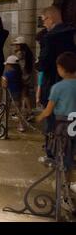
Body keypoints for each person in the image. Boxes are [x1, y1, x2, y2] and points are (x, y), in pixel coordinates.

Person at [36, 52, 76, 213]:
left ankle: (65, 195)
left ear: (61, 69)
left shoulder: (58, 87)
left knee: (63, 160)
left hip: (63, 127)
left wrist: (38, 118)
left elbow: (48, 111)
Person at [38, 5, 76, 162]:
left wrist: (37, 65)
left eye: (43, 20)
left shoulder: (50, 36)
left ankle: (52, 154)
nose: (44, 24)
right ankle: (70, 153)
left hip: (55, 81)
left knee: (53, 120)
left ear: (50, 18)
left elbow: (44, 63)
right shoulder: (72, 32)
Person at [12, 36, 35, 120]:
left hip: (22, 76)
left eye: (17, 45)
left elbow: (16, 64)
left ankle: (27, 112)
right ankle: (27, 112)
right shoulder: (29, 53)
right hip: (28, 76)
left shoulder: (20, 53)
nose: (16, 46)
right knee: (25, 95)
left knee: (23, 95)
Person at [2, 55, 25, 132]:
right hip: (18, 92)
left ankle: (5, 123)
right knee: (18, 109)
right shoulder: (19, 73)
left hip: (8, 93)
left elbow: (4, 85)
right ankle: (20, 124)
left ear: (9, 65)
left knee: (6, 108)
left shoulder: (6, 73)